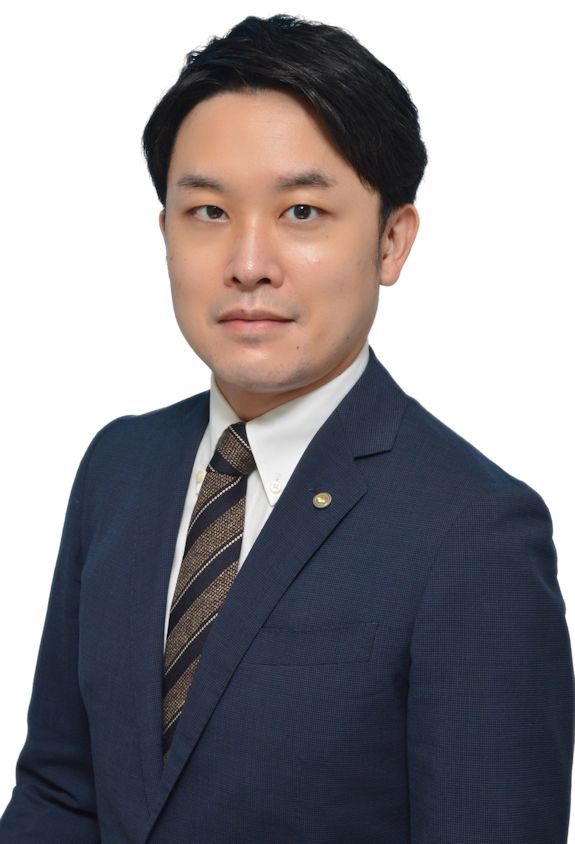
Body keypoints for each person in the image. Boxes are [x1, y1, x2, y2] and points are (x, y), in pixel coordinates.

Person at [1, 12, 573, 843]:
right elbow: (59, 792)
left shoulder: (474, 530)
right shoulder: (119, 467)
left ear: (391, 241)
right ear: (164, 233)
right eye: (207, 212)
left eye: (301, 211)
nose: (247, 263)